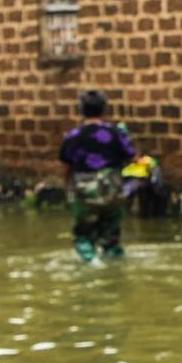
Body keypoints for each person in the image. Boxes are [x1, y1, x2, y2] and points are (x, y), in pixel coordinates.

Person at [58, 89, 136, 261]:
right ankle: (114, 262)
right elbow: (131, 159)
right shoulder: (116, 133)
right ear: (104, 109)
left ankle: (90, 261)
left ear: (81, 110)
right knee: (111, 237)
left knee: (83, 234)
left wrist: (68, 191)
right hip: (112, 189)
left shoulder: (72, 137)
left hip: (84, 189)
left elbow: (66, 168)